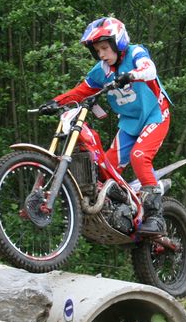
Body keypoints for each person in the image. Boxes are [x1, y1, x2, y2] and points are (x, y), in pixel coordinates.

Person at [38, 16, 172, 235]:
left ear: (118, 42)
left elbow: (150, 70)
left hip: (155, 115)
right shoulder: (101, 71)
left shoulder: (135, 53)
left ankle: (156, 217)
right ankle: (124, 209)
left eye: (104, 48)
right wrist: (55, 102)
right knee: (106, 169)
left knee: (139, 156)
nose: (101, 54)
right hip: (130, 124)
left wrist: (131, 75)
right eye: (97, 50)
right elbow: (81, 91)